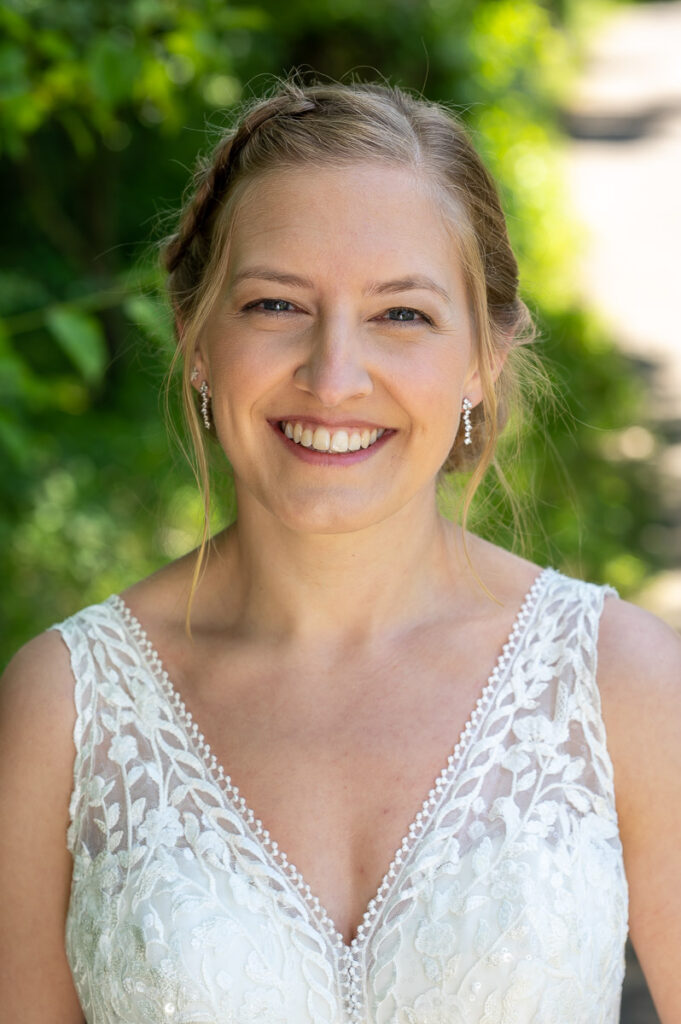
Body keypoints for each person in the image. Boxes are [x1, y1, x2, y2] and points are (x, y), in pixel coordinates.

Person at [1, 79, 679, 1024]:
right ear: (196, 337)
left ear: (482, 356)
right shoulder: (65, 707)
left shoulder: (620, 680)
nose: (332, 377)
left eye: (401, 315)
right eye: (276, 304)